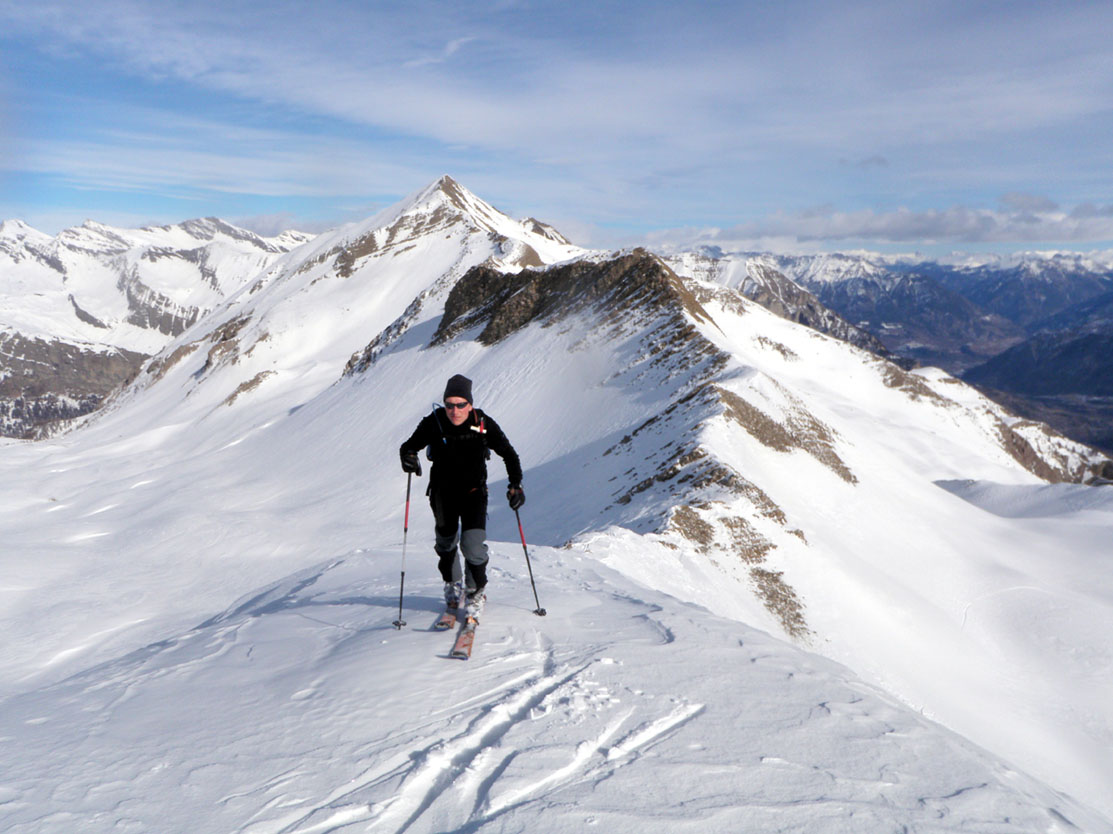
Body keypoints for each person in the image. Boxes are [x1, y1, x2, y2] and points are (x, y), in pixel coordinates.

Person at [399, 374, 524, 620]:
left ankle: (475, 592)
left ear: (470, 404)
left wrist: (516, 485)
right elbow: (409, 446)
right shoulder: (434, 422)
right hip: (442, 494)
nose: (454, 411)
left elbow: (509, 454)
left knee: (472, 546)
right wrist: (409, 458)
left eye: (460, 405)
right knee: (445, 544)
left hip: (474, 494)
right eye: (449, 405)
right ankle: (452, 584)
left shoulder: (483, 423)